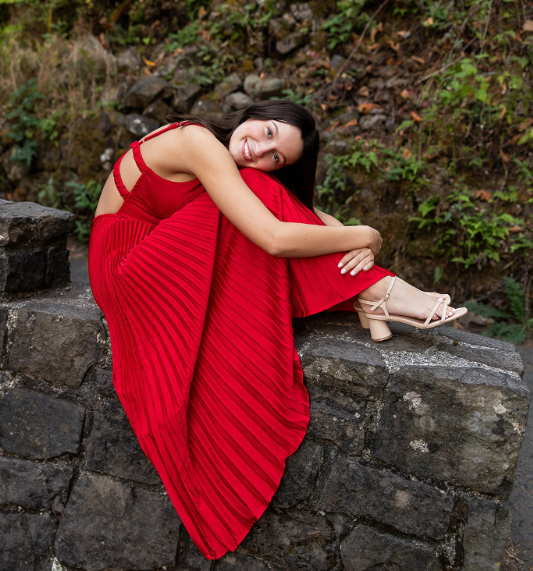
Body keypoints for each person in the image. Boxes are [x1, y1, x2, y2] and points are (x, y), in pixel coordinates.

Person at [88, 100, 466, 560]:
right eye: (266, 132)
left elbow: (303, 216)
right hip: (126, 268)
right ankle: (376, 294)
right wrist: (363, 234)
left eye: (276, 157)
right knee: (257, 198)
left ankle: (374, 292)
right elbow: (274, 236)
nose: (259, 150)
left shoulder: (236, 163)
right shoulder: (195, 141)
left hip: (153, 258)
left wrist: (358, 236)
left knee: (259, 190)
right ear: (251, 113)